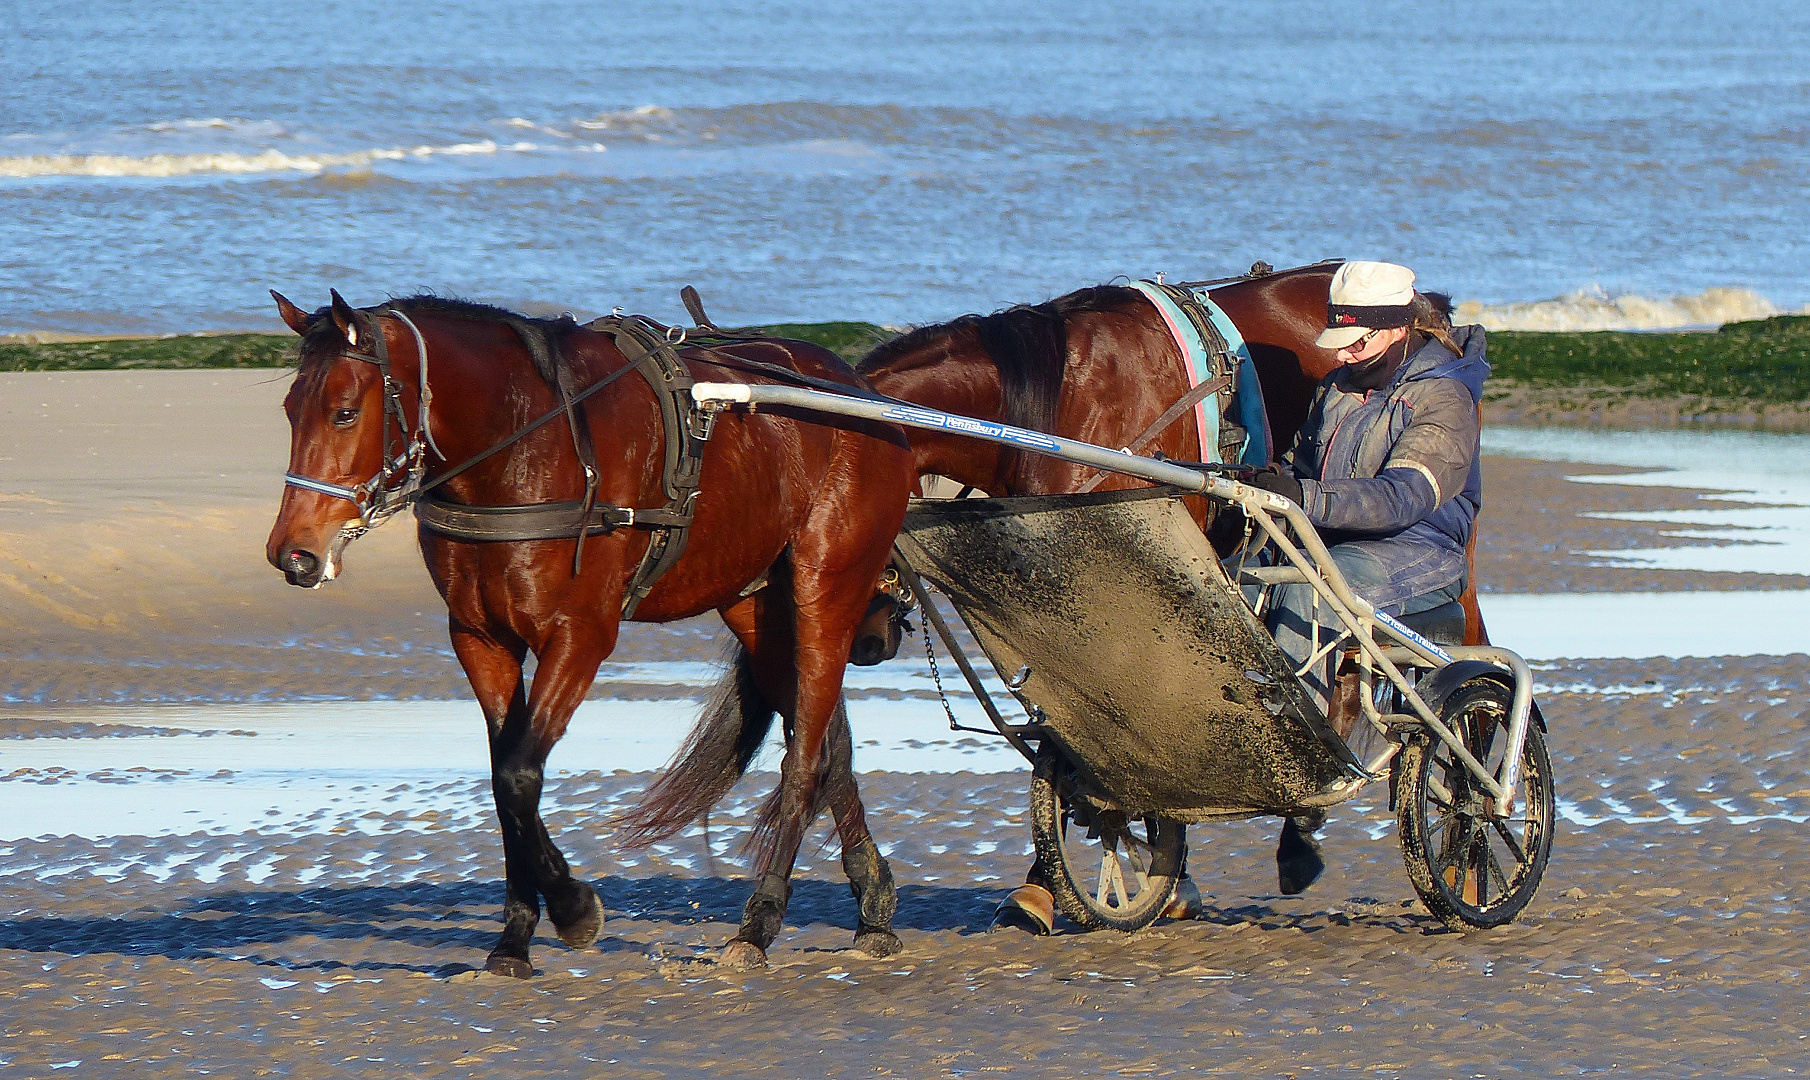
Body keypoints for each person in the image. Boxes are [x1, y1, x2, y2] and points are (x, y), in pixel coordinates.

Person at [1240, 259, 1489, 893]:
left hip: (1419, 552)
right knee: (1237, 582)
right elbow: (1298, 466)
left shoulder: (1443, 397)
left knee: (1305, 593)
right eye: (1339, 341)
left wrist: (1307, 498)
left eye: (1358, 341)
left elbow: (1406, 497)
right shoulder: (1341, 387)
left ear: (1397, 328)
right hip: (1335, 542)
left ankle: (1290, 752)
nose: (1344, 354)